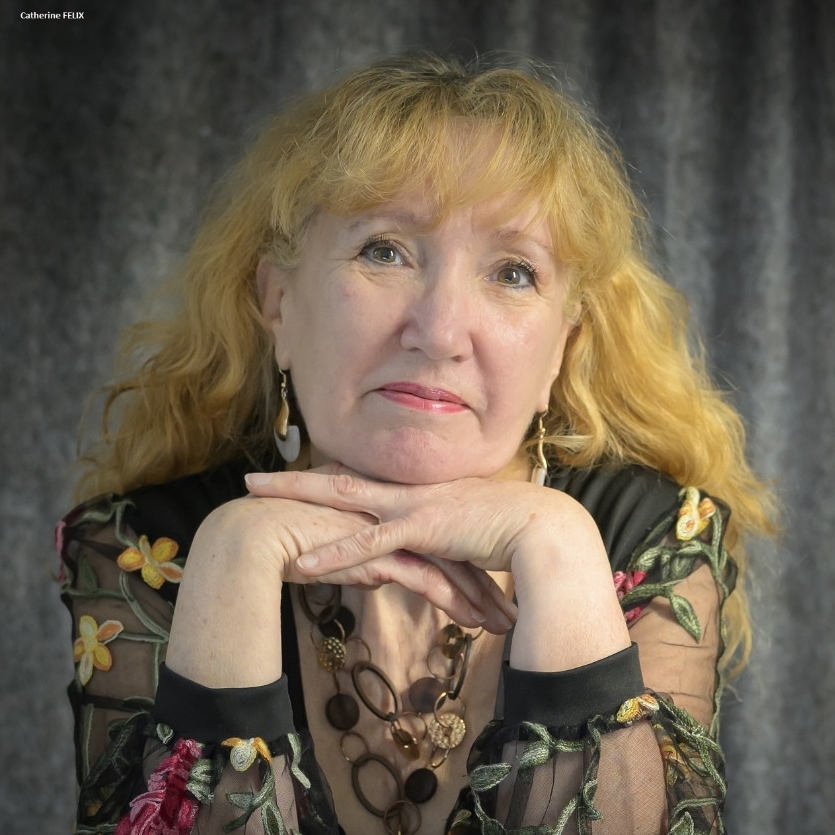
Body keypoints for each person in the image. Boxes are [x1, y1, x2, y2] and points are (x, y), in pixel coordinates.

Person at [58, 53, 774, 835]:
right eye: (384, 250)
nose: (438, 332)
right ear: (277, 303)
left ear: (561, 350)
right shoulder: (145, 545)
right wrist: (231, 559)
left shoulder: (652, 534)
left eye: (511, 272)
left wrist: (560, 548)